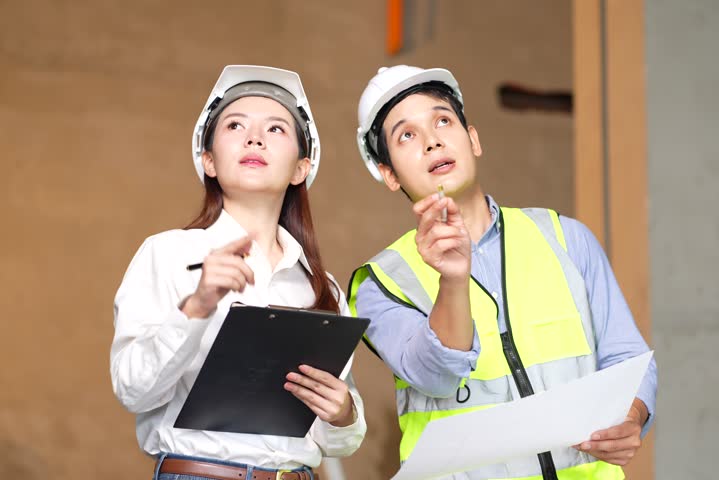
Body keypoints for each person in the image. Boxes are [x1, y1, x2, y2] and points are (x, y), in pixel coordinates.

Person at [348, 65, 657, 480]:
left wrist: (632, 417)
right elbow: (435, 376)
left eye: (443, 121)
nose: (432, 141)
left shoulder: (566, 238)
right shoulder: (381, 283)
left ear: (473, 140)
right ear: (389, 174)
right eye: (406, 135)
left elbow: (627, 357)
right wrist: (453, 280)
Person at [110, 65, 365, 480]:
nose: (254, 138)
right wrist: (196, 308)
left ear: (301, 168)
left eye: (276, 128)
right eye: (235, 125)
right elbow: (133, 390)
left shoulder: (322, 288)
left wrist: (343, 413)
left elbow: (338, 441)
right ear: (208, 160)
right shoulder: (168, 254)